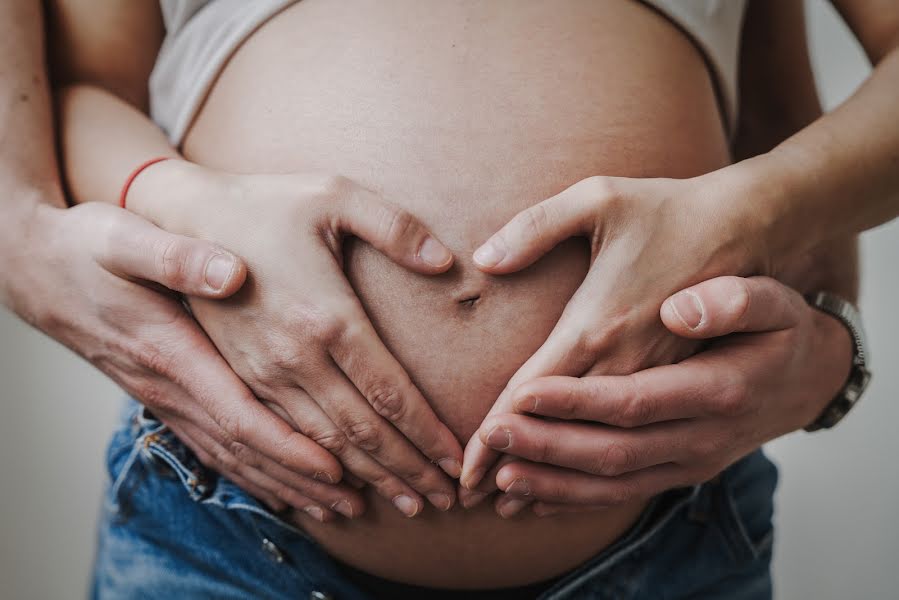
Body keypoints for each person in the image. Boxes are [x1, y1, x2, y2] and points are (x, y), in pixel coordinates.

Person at [0, 1, 893, 599]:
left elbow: (786, 123)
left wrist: (799, 294)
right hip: (227, 529)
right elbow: (86, 88)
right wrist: (185, 201)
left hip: (667, 537)